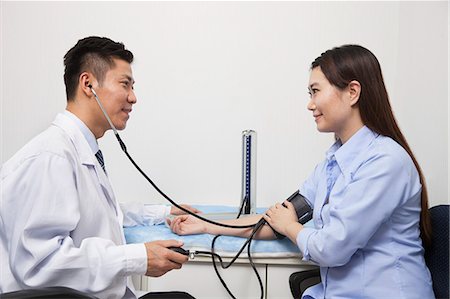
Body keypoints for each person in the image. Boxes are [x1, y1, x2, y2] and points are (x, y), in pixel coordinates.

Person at [169, 45, 435, 298]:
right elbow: (275, 221)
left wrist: (291, 226)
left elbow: (331, 249)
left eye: (316, 91)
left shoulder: (385, 162)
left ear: (352, 92)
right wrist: (205, 224)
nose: (310, 104)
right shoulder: (333, 163)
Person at [0, 36, 199, 299]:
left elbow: (101, 215)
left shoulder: (80, 150)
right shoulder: (51, 157)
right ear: (88, 84)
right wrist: (137, 258)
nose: (133, 97)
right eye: (125, 84)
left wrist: (163, 212)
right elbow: (40, 264)